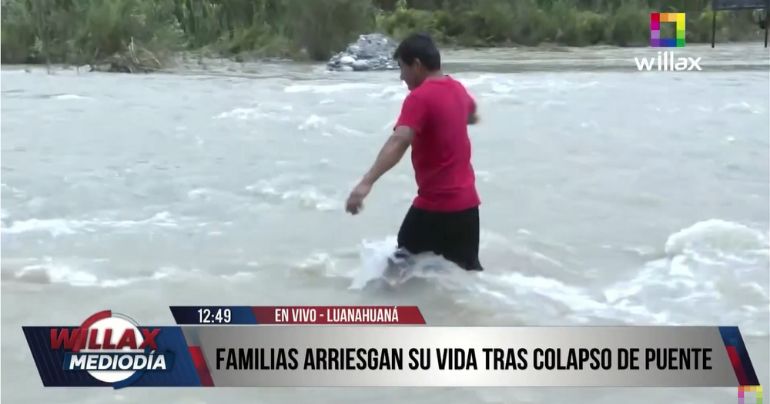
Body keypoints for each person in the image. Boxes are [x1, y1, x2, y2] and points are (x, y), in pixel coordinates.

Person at [345, 33, 483, 271]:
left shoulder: (419, 98)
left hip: (435, 207)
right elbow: (472, 114)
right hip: (468, 208)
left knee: (395, 276)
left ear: (417, 65)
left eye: (402, 68)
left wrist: (365, 183)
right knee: (465, 277)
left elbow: (400, 140)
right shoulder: (457, 89)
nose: (401, 77)